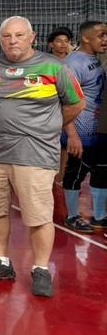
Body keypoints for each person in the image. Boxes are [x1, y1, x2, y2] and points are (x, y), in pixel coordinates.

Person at [0, 16, 84, 298]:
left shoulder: (54, 67)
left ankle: (41, 268)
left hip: (35, 154)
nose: (13, 41)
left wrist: (49, 127)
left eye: (19, 35)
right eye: (7, 36)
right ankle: (1, 262)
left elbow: (76, 103)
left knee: (38, 215)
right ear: (0, 39)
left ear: (32, 37)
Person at [59, 21, 107, 233]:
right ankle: (72, 216)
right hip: (80, 130)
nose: (105, 39)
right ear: (86, 38)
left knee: (101, 172)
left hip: (97, 128)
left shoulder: (94, 59)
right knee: (76, 173)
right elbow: (63, 101)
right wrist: (72, 135)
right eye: (101, 35)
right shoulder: (73, 63)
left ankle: (99, 216)